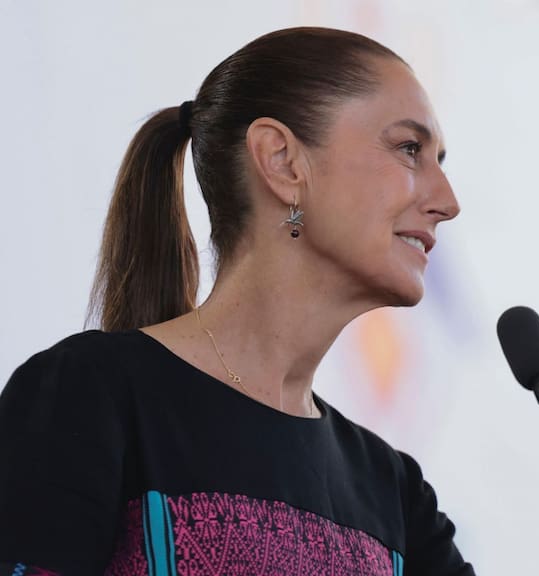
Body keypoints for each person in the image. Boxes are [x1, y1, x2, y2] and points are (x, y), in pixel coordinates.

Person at [0, 27, 473, 576]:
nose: (448, 202)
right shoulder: (88, 395)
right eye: (410, 149)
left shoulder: (395, 492)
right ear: (283, 161)